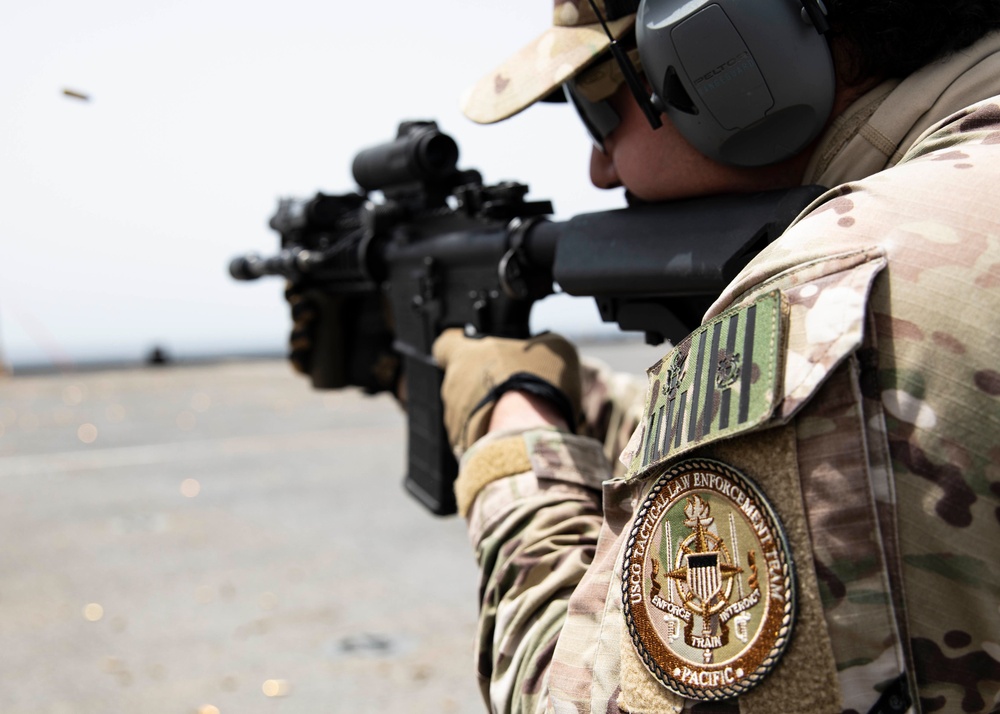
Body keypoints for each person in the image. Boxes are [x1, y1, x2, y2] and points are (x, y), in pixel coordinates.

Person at [430, 0, 1000, 712]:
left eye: (598, 105)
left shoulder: (825, 299)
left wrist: (510, 435)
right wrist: (593, 404)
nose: (600, 167)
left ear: (728, 52)